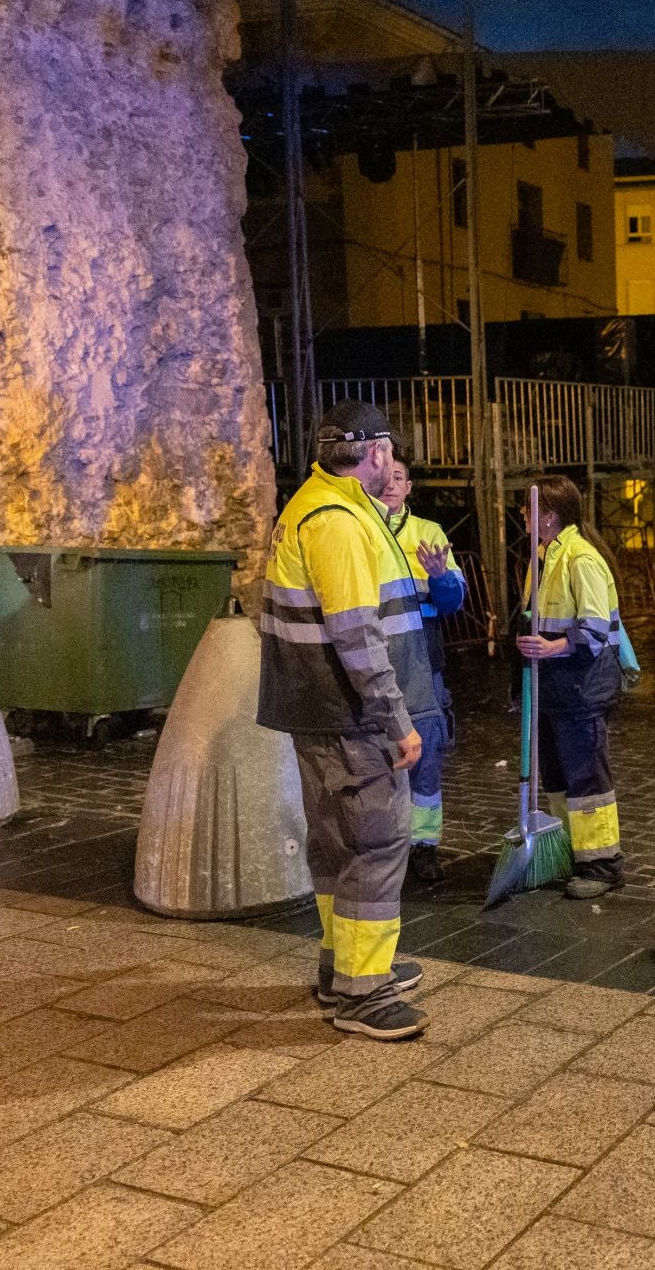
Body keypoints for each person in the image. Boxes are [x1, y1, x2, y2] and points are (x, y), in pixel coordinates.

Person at [256, 400, 438, 1041]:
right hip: (352, 716)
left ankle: (345, 969)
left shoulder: (311, 505)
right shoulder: (338, 521)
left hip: (318, 710)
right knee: (377, 845)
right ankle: (364, 994)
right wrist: (396, 720)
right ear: (378, 452)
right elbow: (358, 636)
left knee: (338, 844)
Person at [514, 474, 627, 899]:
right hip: (553, 688)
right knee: (559, 780)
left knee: (587, 782)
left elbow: (595, 629)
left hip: (582, 687)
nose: (522, 515)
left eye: (528, 508)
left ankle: (602, 864)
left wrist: (552, 647)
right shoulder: (543, 557)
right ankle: (569, 854)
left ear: (549, 516)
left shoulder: (580, 558)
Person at [377, 454, 467, 886]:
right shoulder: (361, 528)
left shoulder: (428, 533)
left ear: (409, 487)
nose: (391, 484)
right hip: (376, 659)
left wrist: (441, 577)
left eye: (399, 478)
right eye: (385, 476)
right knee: (377, 754)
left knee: (426, 754)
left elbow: (453, 602)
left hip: (423, 661)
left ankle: (425, 845)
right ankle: (386, 840)